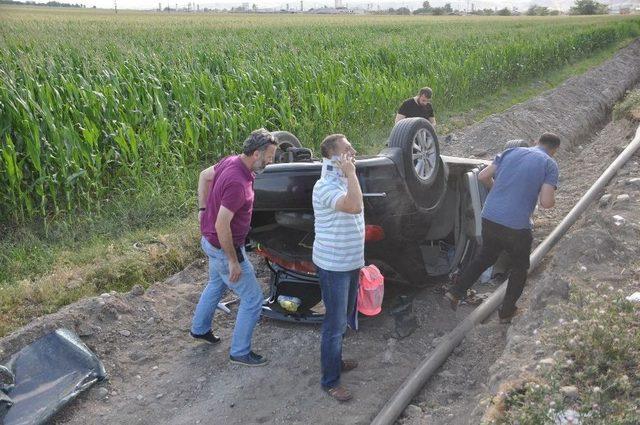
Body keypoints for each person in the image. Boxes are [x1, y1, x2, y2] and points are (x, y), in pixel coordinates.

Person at [445, 132, 561, 323]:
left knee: (485, 257)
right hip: (516, 225)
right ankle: (506, 312)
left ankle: (455, 292)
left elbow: (483, 176)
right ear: (554, 150)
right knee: (519, 267)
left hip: (490, 215)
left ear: (535, 142)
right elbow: (547, 203)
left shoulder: (511, 151)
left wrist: (497, 190)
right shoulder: (549, 164)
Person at [190, 128, 277, 366]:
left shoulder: (231, 161)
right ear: (257, 154)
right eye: (269, 156)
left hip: (208, 242)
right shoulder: (238, 183)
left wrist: (202, 209)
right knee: (253, 299)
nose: (271, 161)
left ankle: (199, 329)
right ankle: (240, 352)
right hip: (222, 247)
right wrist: (232, 260)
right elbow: (222, 224)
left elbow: (204, 176)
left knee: (216, 284)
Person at [312, 134, 365, 402]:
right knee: (333, 325)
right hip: (334, 266)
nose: (352, 151)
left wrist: (349, 174)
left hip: (350, 261)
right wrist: (351, 173)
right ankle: (330, 381)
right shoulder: (324, 186)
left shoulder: (344, 180)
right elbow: (354, 206)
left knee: (342, 319)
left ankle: (336, 361)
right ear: (333, 156)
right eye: (346, 149)